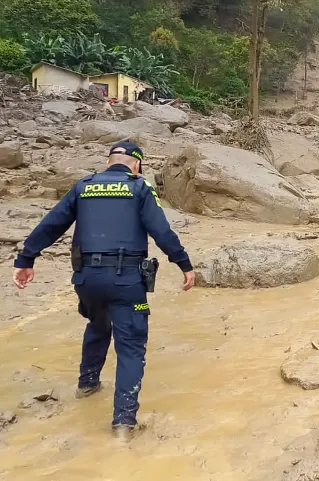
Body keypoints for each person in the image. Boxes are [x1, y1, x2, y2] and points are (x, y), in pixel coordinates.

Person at [12, 141, 195, 436]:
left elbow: (51, 224)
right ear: (137, 165)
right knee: (131, 348)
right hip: (126, 280)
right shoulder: (139, 187)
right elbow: (161, 231)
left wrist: (26, 259)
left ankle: (87, 385)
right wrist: (184, 265)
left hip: (87, 280)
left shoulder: (84, 186)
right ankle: (123, 422)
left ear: (110, 161)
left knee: (98, 325)